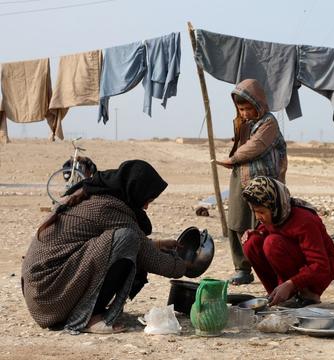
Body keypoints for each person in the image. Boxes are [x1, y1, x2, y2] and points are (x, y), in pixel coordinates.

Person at [22, 160, 190, 334]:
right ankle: (89, 317)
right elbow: (151, 258)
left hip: (42, 295)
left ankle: (86, 310)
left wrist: (158, 244)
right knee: (127, 238)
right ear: (134, 190)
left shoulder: (95, 195)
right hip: (51, 297)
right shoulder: (109, 207)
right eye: (147, 200)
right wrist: (186, 263)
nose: (146, 206)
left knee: (128, 240)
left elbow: (110, 242)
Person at [216, 79, 287, 286]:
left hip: (264, 180)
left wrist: (232, 159)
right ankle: (242, 268)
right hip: (241, 176)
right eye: (241, 108)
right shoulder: (243, 123)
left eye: (248, 108)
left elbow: (256, 146)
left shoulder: (269, 123)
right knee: (237, 221)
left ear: (258, 104)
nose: (245, 112)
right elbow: (240, 145)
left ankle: (267, 266)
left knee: (263, 223)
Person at [240, 176, 334, 307]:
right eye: (255, 212)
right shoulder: (276, 216)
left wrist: (291, 284)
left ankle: (307, 294)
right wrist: (253, 233)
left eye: (261, 212)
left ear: (274, 206)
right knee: (251, 242)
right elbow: (263, 235)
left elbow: (320, 266)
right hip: (294, 270)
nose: (258, 217)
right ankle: (277, 294)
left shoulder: (304, 221)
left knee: (272, 243)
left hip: (319, 274)